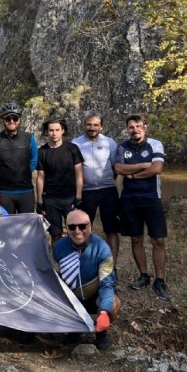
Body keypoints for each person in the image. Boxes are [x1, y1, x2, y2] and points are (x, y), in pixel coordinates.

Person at [113, 114, 170, 300]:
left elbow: (157, 169)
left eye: (138, 126)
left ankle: (160, 280)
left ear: (145, 126)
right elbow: (119, 169)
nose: (135, 130)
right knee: (136, 239)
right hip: (129, 199)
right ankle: (144, 275)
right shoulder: (122, 146)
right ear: (127, 129)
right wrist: (145, 164)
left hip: (151, 197)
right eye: (131, 127)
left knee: (158, 240)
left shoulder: (155, 144)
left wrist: (135, 175)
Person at [52, 209, 121, 350]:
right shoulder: (58, 247)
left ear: (90, 226)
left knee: (113, 303)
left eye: (82, 226)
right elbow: (53, 278)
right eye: (72, 227)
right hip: (72, 298)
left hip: (94, 295)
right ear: (66, 228)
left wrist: (104, 312)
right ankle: (75, 329)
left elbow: (107, 283)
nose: (77, 231)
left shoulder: (102, 248)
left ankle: (101, 331)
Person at [73, 113, 121, 264]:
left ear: (101, 126)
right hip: (86, 192)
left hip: (108, 191)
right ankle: (87, 264)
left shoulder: (109, 143)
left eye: (95, 125)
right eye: (89, 124)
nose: (92, 128)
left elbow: (116, 167)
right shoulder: (76, 143)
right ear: (84, 125)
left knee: (111, 230)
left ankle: (111, 266)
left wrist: (106, 181)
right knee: (84, 229)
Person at [36, 118, 84, 242]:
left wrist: (78, 197)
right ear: (47, 132)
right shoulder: (42, 152)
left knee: (74, 232)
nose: (54, 133)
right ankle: (57, 260)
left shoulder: (72, 149)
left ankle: (75, 260)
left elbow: (79, 174)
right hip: (51, 199)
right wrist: (40, 202)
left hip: (70, 197)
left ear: (63, 131)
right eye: (51, 130)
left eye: (57, 130)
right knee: (55, 234)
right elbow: (40, 177)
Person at [0, 101, 38, 214]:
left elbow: (34, 160)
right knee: (6, 227)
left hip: (25, 190)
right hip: (4, 192)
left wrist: (23, 172)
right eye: (8, 119)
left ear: (20, 119)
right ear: (2, 120)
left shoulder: (29, 138)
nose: (11, 121)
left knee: (26, 227)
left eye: (15, 118)